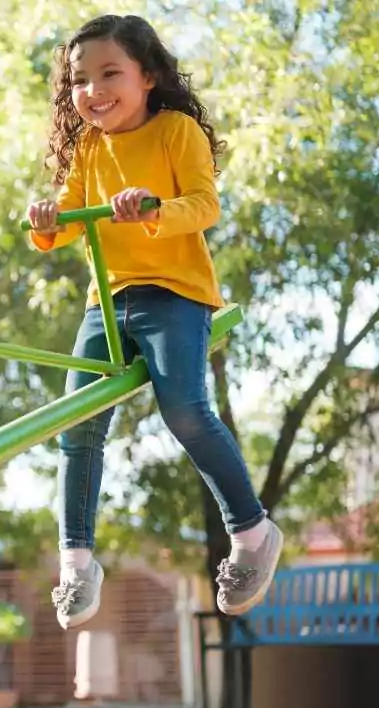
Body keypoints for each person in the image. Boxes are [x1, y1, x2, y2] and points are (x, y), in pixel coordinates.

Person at [25, 15, 281, 630]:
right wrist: (46, 220)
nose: (93, 90)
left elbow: (204, 205)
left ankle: (251, 531)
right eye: (80, 80)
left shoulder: (175, 131)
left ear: (148, 77)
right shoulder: (89, 148)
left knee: (185, 411)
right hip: (107, 299)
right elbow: (67, 216)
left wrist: (153, 209)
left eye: (110, 73)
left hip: (174, 293)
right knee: (76, 423)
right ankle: (77, 562)